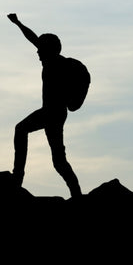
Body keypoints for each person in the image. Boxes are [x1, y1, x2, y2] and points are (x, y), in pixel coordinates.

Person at [7, 13, 83, 197]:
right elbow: (33, 39)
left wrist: (18, 23)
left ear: (48, 50)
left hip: (53, 112)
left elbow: (33, 39)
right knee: (58, 160)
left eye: (41, 49)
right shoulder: (55, 61)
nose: (37, 52)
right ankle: (76, 193)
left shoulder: (54, 63)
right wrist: (18, 23)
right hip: (53, 112)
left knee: (21, 129)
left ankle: (18, 177)